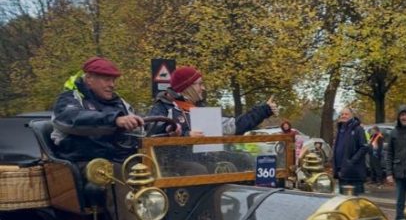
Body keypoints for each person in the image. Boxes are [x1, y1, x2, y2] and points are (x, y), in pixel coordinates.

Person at [51, 56, 144, 162]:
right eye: (107, 80)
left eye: (113, 80)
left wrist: (162, 127)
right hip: (86, 162)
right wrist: (115, 120)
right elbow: (73, 119)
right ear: (89, 78)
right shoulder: (69, 99)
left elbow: (141, 126)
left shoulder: (119, 102)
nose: (112, 85)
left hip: (121, 159)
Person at [147, 66, 278, 136]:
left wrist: (264, 110)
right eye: (199, 84)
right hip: (174, 168)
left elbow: (232, 126)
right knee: (198, 169)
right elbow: (151, 133)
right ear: (187, 87)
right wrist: (185, 135)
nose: (203, 88)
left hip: (205, 162)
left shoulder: (200, 111)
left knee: (244, 159)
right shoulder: (163, 108)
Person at [332, 107, 368, 195]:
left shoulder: (358, 129)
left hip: (353, 173)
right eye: (342, 114)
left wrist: (351, 162)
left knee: (354, 202)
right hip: (341, 171)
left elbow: (363, 147)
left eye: (346, 114)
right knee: (343, 202)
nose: (344, 116)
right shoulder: (340, 130)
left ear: (352, 116)